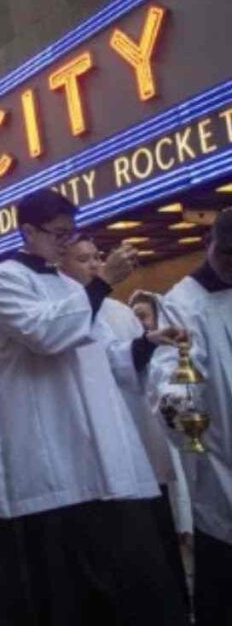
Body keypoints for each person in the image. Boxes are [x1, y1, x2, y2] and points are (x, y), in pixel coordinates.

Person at [0, 189, 187, 624]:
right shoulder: (4, 279)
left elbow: (102, 355)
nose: (66, 241)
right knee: (65, 593)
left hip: (102, 452)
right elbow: (46, 334)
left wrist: (146, 344)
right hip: (53, 454)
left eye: (70, 232)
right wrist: (101, 282)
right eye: (59, 233)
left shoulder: (67, 285)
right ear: (28, 232)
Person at [61, 235, 191, 608]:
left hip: (140, 430)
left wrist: (152, 343)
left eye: (96, 257)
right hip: (99, 449)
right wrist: (142, 346)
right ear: (63, 266)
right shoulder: (66, 313)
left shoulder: (119, 312)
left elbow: (136, 368)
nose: (93, 264)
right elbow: (101, 364)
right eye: (82, 258)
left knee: (159, 541)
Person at [152, 208, 232, 626]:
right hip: (220, 459)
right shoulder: (184, 302)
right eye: (228, 256)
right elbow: (169, 382)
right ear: (210, 245)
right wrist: (185, 421)